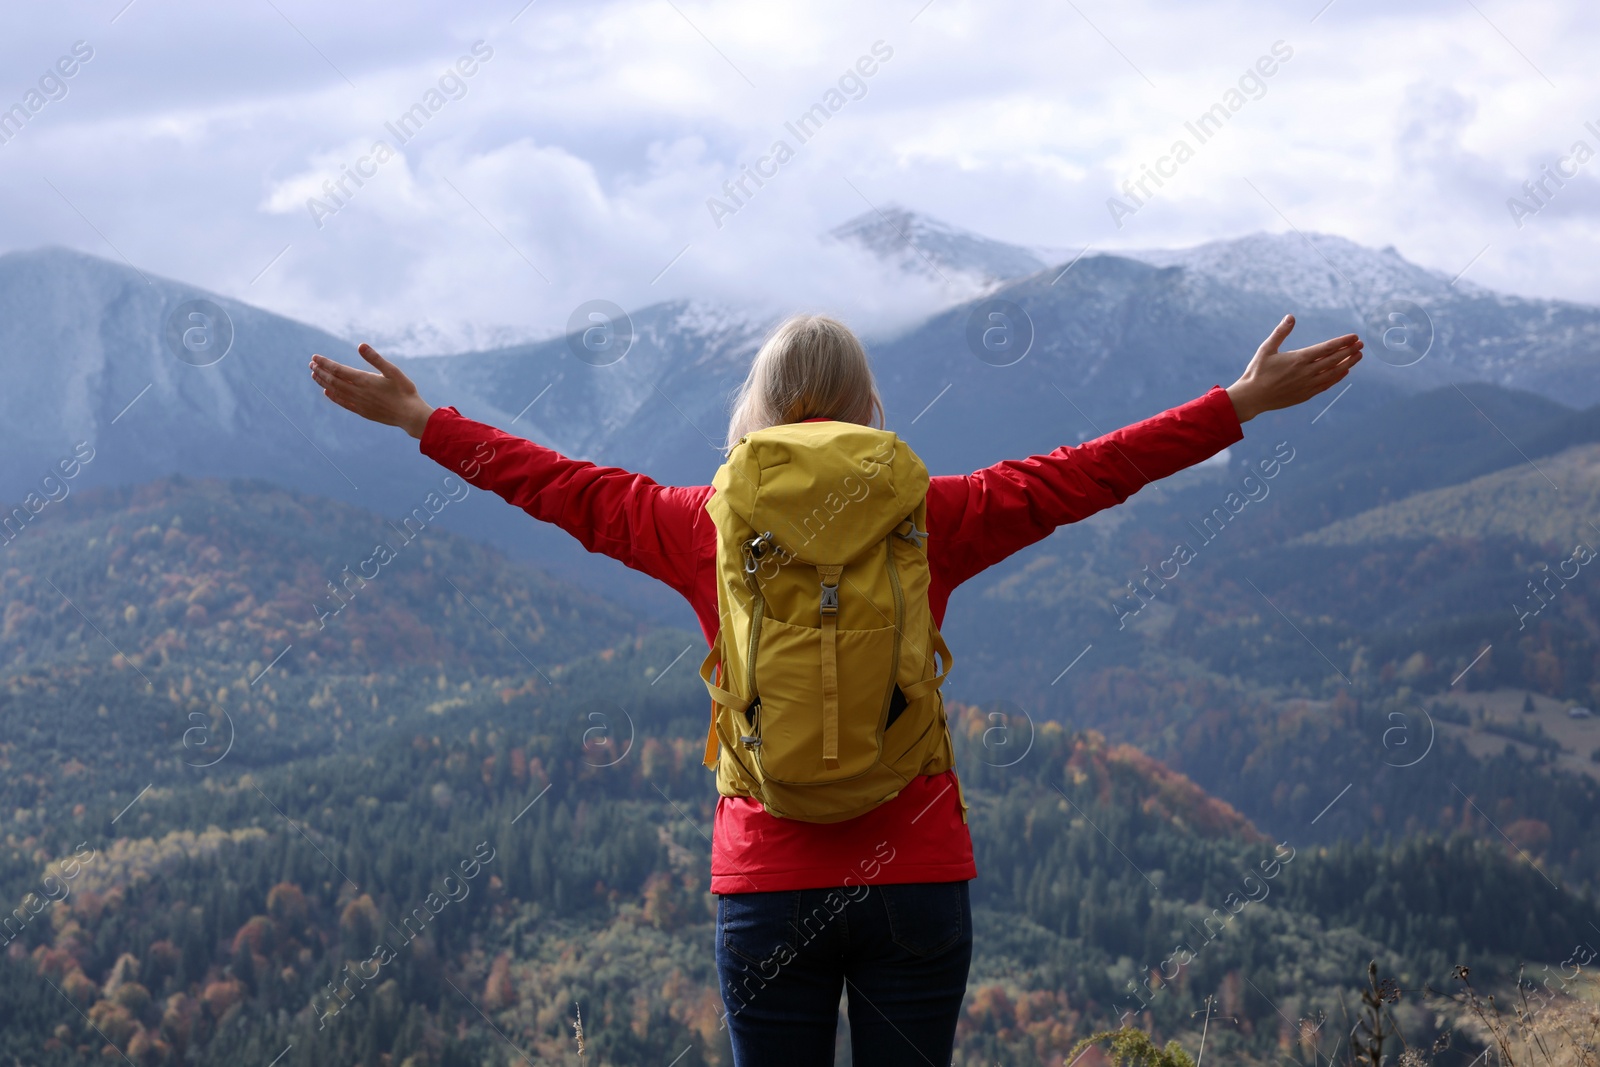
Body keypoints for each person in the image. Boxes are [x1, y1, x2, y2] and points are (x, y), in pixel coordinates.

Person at [309, 311, 1361, 1065]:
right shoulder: (934, 513)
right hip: (914, 874)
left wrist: (421, 420)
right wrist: (1239, 402)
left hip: (765, 880)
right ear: (867, 407)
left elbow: (555, 485)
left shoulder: (699, 523)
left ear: (755, 407)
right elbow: (1089, 471)